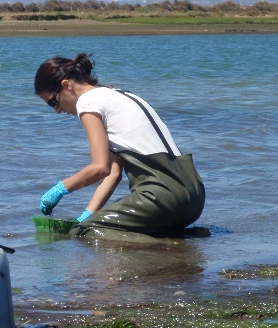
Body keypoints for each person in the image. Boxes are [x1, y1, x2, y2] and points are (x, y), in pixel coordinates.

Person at [33, 53, 205, 242]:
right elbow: (113, 172)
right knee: (89, 225)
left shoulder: (88, 102)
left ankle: (165, 246)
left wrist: (59, 189)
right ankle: (181, 237)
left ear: (67, 85)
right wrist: (88, 214)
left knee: (83, 233)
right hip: (193, 195)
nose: (58, 111)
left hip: (164, 196)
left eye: (53, 102)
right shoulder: (118, 94)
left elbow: (100, 167)